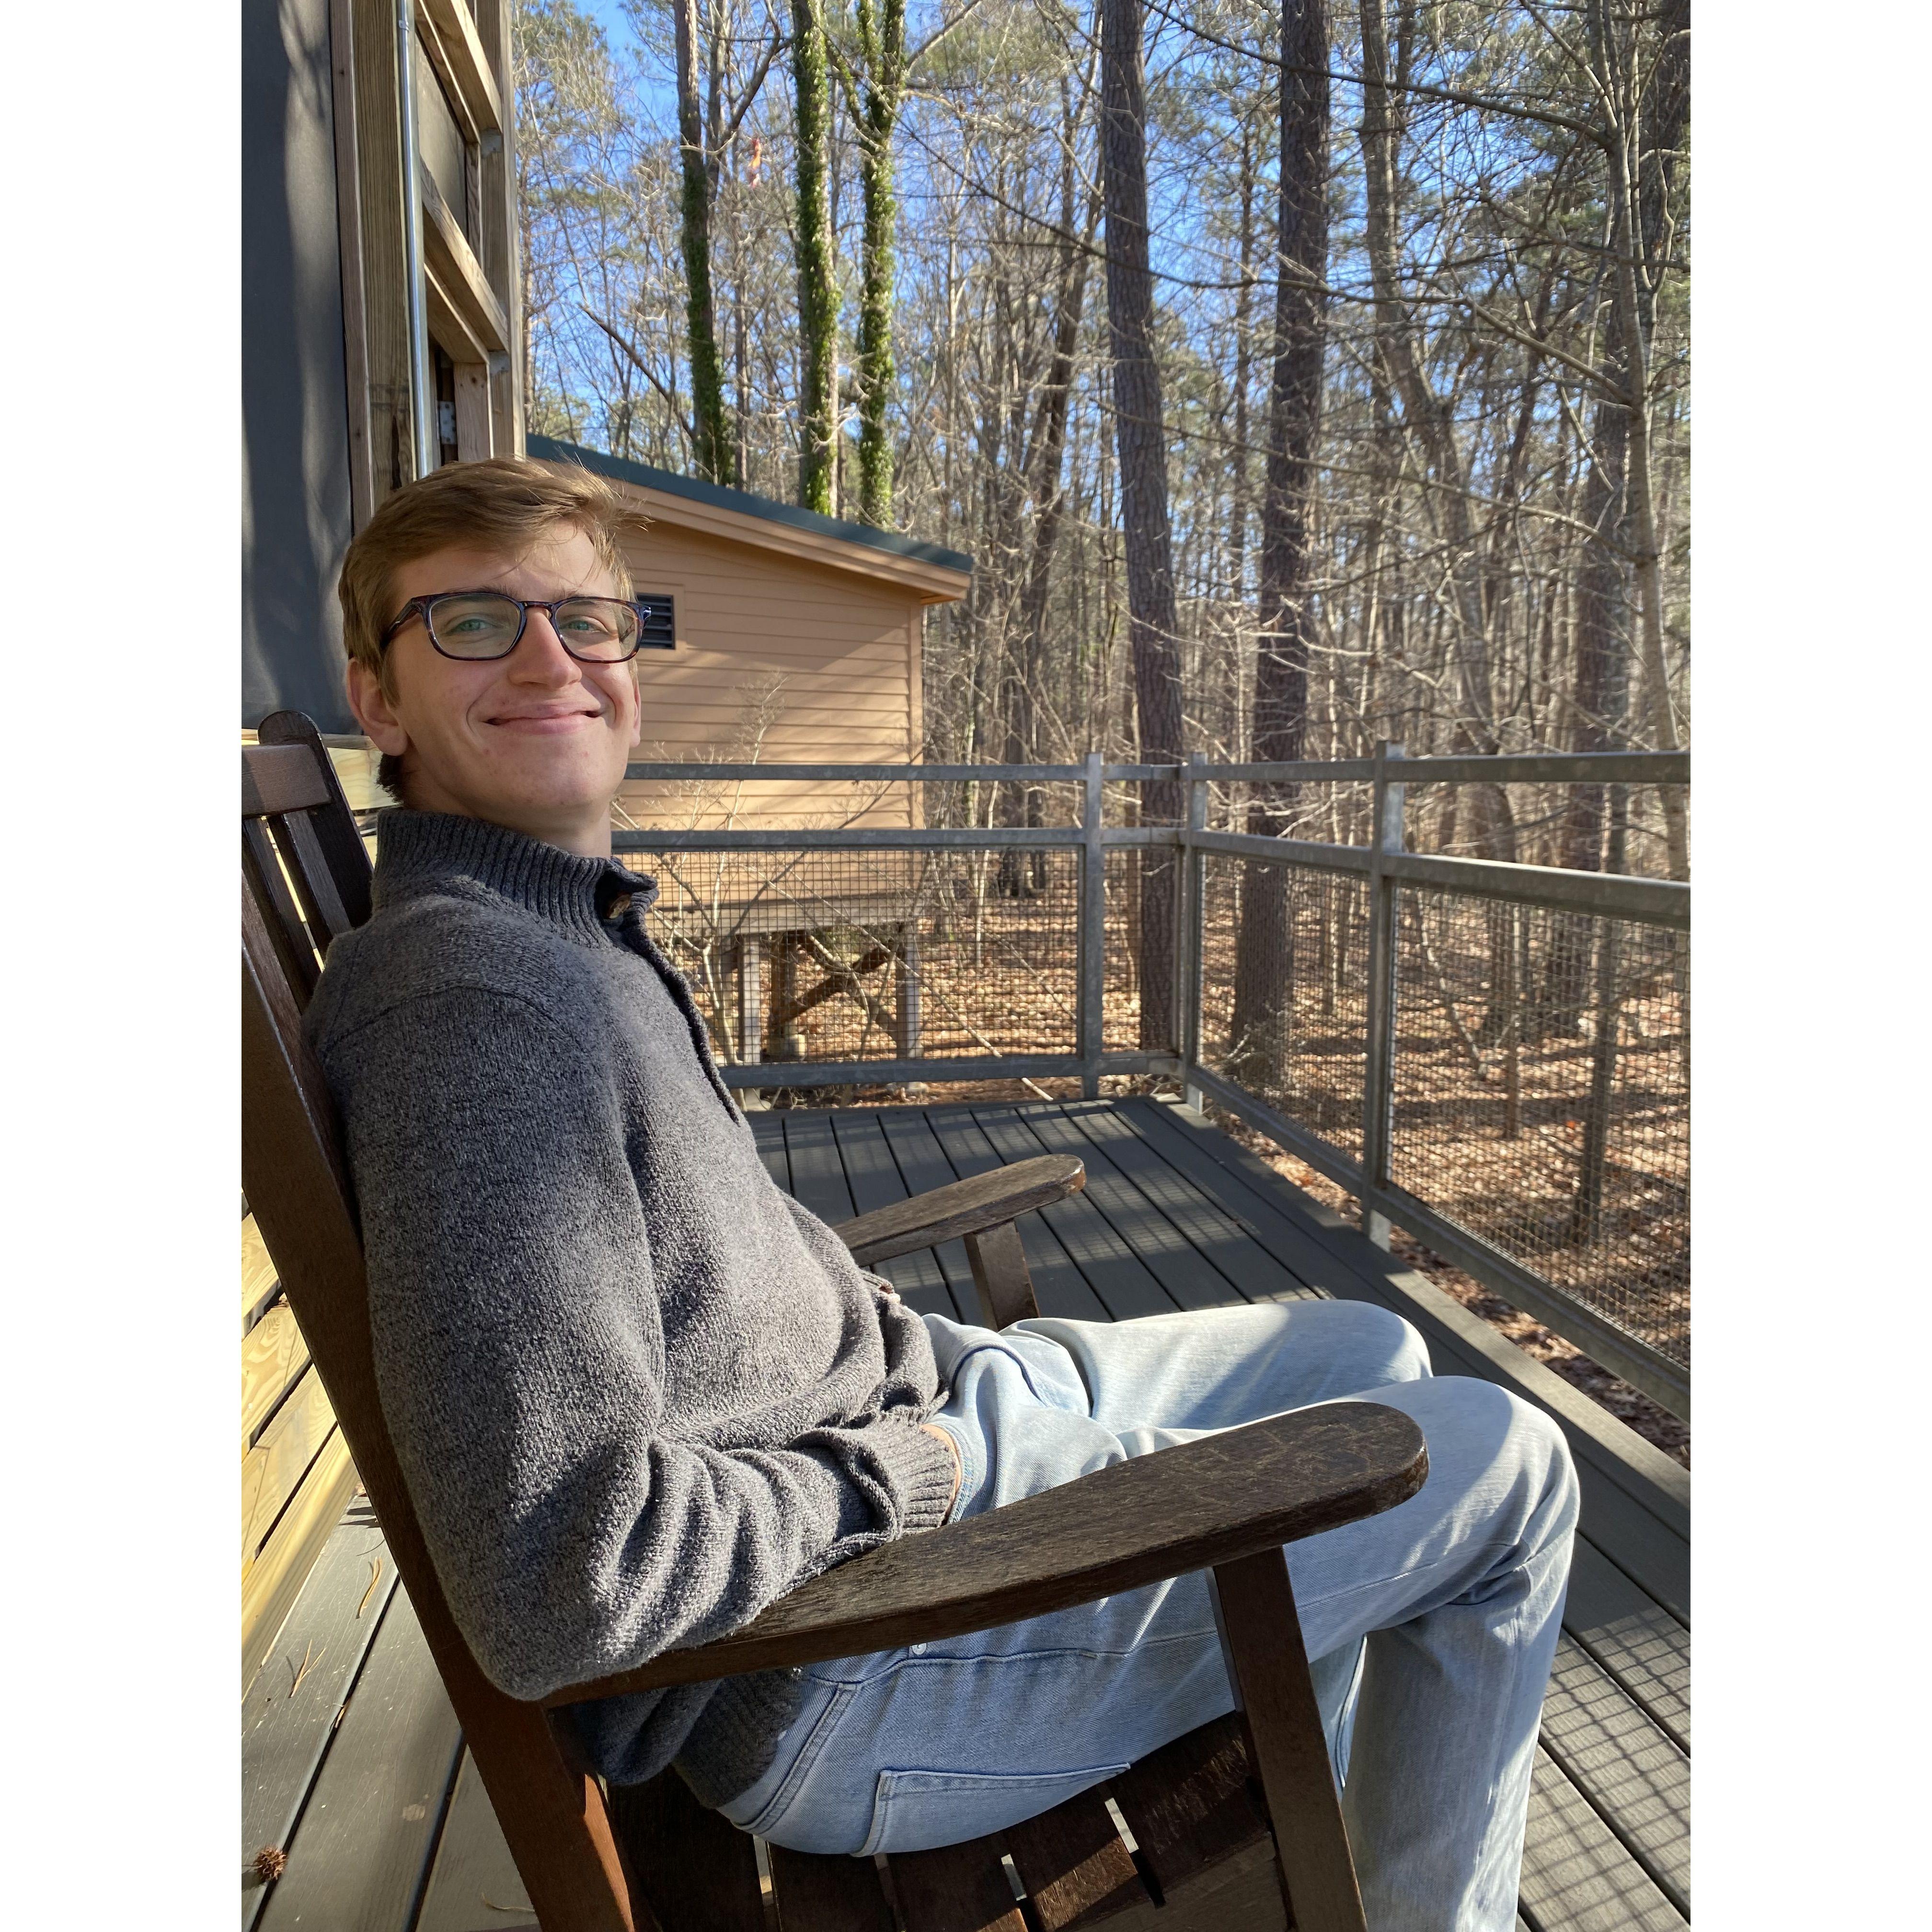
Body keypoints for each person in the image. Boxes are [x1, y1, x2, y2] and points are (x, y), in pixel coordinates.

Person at [309, 455, 1577, 1932]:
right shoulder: (476, 1011)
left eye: (590, 619)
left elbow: (704, 1280)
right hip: (848, 1653)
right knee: (1506, 1465)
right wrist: (899, 1473)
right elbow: (564, 1584)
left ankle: (1305, 1852)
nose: (551, 660)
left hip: (920, 1414)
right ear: (378, 697)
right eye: (472, 623)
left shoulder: (556, 927)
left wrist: (918, 1355)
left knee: (1368, 1352)